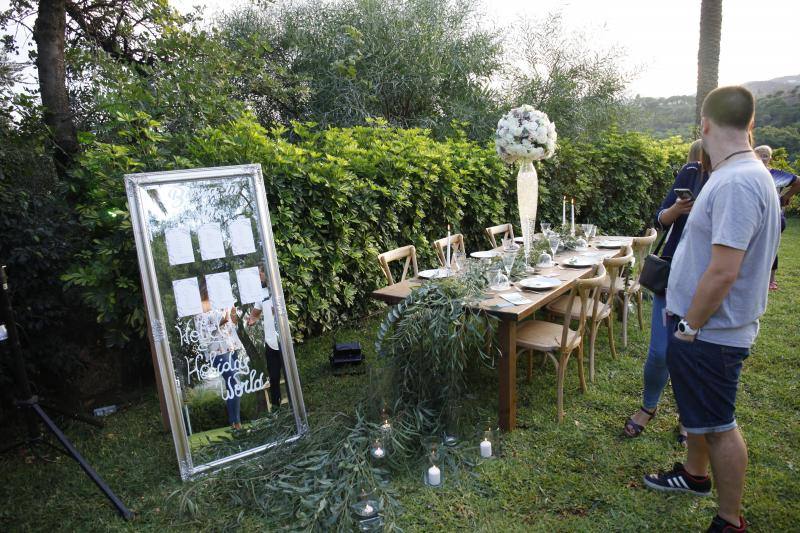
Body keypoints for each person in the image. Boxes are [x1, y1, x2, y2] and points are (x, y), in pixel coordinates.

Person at [643, 86, 781, 533]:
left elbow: (723, 271)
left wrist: (688, 326)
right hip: (705, 328)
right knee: (700, 414)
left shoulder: (739, 180)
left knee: (720, 424)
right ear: (750, 124)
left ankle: (728, 519)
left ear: (703, 125)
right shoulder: (741, 172)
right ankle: (694, 475)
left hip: (710, 332)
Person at [623, 139, 709, 445]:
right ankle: (648, 406)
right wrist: (677, 208)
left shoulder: (733, 177)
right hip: (672, 273)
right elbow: (660, 218)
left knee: (695, 354)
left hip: (708, 275)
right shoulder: (691, 171)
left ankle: (688, 417)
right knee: (661, 351)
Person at [194, 281, 244, 430]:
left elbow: (233, 322)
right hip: (218, 352)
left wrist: (233, 311)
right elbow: (208, 331)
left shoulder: (220, 304)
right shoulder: (199, 310)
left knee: (234, 385)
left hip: (230, 347)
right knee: (233, 383)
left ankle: (236, 422)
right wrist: (225, 315)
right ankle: (235, 423)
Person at [753, 144, 800, 291]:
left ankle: (771, 280)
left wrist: (786, 196)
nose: (762, 158)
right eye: (759, 155)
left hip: (775, 218)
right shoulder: (750, 174)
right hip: (756, 217)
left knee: (771, 247)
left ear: (770, 158)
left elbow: (798, 181)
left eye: (765, 155)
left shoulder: (776, 174)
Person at [246, 268, 288, 409]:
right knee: (274, 378)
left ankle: (295, 405)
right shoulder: (261, 293)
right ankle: (277, 410)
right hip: (270, 343)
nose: (258, 276)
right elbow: (255, 313)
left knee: (289, 375)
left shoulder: (280, 288)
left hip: (284, 341)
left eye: (259, 273)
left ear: (266, 272)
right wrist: (252, 320)